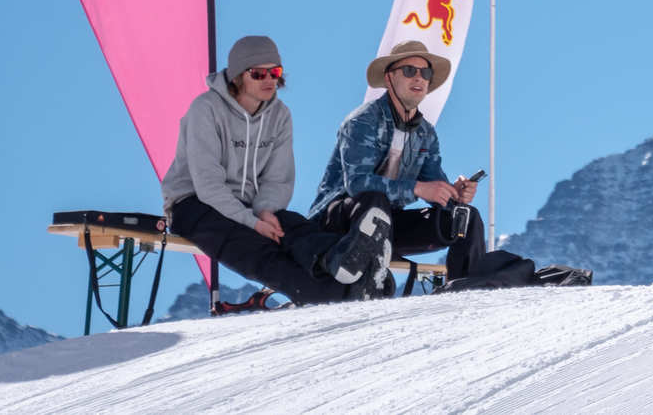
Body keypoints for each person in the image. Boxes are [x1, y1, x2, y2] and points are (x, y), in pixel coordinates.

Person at [162, 35, 394, 306]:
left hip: (249, 205)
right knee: (259, 252)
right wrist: (253, 223)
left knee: (294, 227)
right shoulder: (205, 110)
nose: (269, 80)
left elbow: (277, 179)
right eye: (258, 73)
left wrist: (265, 211)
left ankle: (346, 261)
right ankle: (335, 293)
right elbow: (208, 185)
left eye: (275, 72)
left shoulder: (280, 115)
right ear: (238, 75)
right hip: (194, 205)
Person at [310, 41, 487, 288]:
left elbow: (433, 187)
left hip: (388, 225)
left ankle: (467, 290)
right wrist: (417, 189)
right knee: (374, 201)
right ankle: (358, 273)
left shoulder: (426, 134)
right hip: (340, 223)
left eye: (425, 73)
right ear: (389, 77)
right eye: (409, 70)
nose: (419, 78)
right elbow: (358, 184)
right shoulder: (362, 121)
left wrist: (453, 194)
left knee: (463, 216)